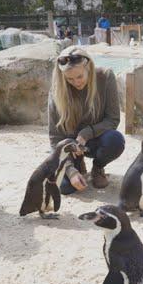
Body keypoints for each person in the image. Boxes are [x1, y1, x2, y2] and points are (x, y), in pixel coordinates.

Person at [48, 46, 125, 194]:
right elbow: (55, 138)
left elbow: (113, 119)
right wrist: (70, 171)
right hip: (70, 146)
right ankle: (77, 164)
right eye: (69, 79)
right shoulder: (57, 90)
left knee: (115, 140)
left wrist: (86, 133)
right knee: (66, 188)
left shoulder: (106, 77)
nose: (76, 82)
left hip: (97, 138)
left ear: (88, 67)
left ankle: (97, 167)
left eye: (79, 76)